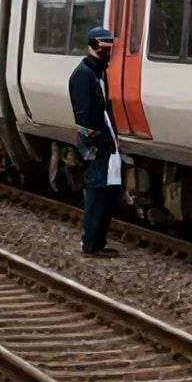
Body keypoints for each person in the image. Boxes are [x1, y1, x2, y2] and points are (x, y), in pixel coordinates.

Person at [67, 27, 122, 257]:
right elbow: (82, 116)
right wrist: (96, 139)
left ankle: (98, 241)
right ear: (92, 46)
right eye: (103, 48)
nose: (107, 52)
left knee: (107, 192)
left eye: (110, 48)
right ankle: (90, 244)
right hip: (96, 144)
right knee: (97, 193)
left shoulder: (99, 73)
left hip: (106, 142)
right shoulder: (83, 74)